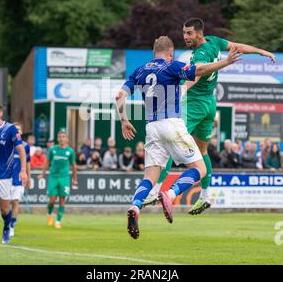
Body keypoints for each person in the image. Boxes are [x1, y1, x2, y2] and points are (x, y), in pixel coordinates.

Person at [144, 17, 275, 215]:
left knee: (168, 144)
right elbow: (237, 46)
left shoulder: (200, 55)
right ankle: (205, 196)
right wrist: (261, 51)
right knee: (202, 151)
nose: (185, 36)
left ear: (199, 33)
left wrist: (180, 93)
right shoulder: (214, 42)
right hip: (210, 104)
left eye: (189, 33)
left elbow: (194, 76)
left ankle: (154, 191)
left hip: (194, 105)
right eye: (184, 32)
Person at [116, 35, 241, 239]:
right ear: (171, 52)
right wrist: (225, 62)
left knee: (149, 177)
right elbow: (198, 71)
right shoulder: (172, 66)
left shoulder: (139, 71)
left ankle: (135, 207)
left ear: (153, 51)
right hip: (171, 123)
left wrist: (124, 120)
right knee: (199, 168)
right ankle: (171, 194)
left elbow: (119, 96)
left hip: (152, 127)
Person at [0, 102, 28, 245]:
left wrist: (23, 171)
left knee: (4, 208)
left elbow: (21, 150)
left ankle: (6, 227)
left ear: (1, 113)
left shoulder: (11, 129)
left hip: (5, 175)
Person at [38, 131, 77, 229]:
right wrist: (42, 174)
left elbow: (73, 165)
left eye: (63, 136)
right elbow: (47, 162)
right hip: (53, 177)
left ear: (66, 139)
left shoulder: (70, 151)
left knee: (62, 200)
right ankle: (49, 213)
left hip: (64, 178)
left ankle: (58, 221)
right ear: (58, 138)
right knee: (52, 200)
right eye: (60, 137)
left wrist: (74, 179)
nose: (61, 138)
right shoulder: (53, 149)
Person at [10, 122, 31, 237]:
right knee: (6, 203)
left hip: (18, 179)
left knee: (15, 202)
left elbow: (28, 163)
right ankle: (8, 222)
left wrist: (29, 177)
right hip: (6, 178)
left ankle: (12, 226)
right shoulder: (6, 144)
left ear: (21, 132)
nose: (16, 131)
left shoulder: (25, 146)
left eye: (18, 129)